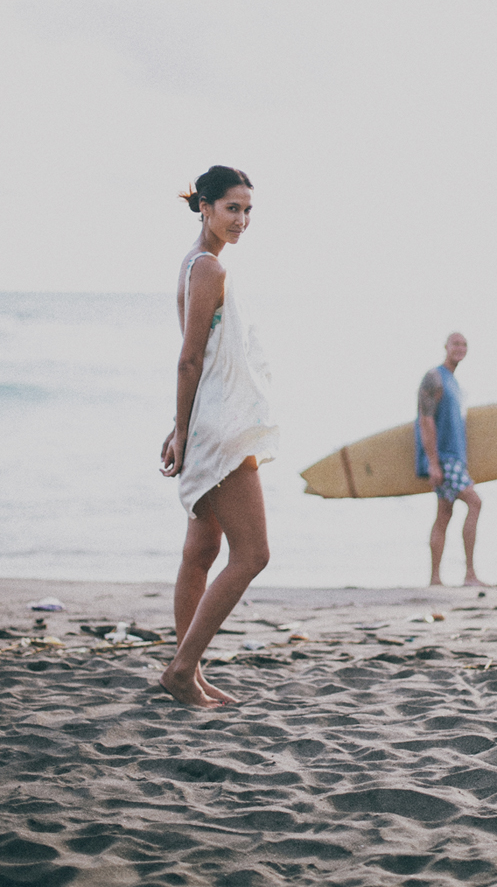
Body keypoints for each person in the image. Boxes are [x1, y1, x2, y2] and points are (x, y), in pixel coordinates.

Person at [159, 165, 278, 707]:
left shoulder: (194, 264)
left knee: (202, 550)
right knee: (252, 554)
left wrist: (180, 426)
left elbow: (198, 361)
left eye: (248, 209)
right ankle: (183, 671)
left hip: (210, 419)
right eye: (232, 207)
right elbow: (188, 360)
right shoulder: (207, 269)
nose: (242, 219)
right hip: (221, 430)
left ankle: (192, 673)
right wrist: (184, 432)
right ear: (204, 206)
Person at [415, 332, 485, 587]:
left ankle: (435, 579)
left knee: (444, 513)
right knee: (475, 503)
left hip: (454, 458)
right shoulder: (434, 377)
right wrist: (433, 462)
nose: (460, 348)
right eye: (456, 343)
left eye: (465, 344)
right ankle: (470, 574)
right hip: (444, 458)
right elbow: (425, 419)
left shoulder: (454, 382)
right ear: (445, 346)